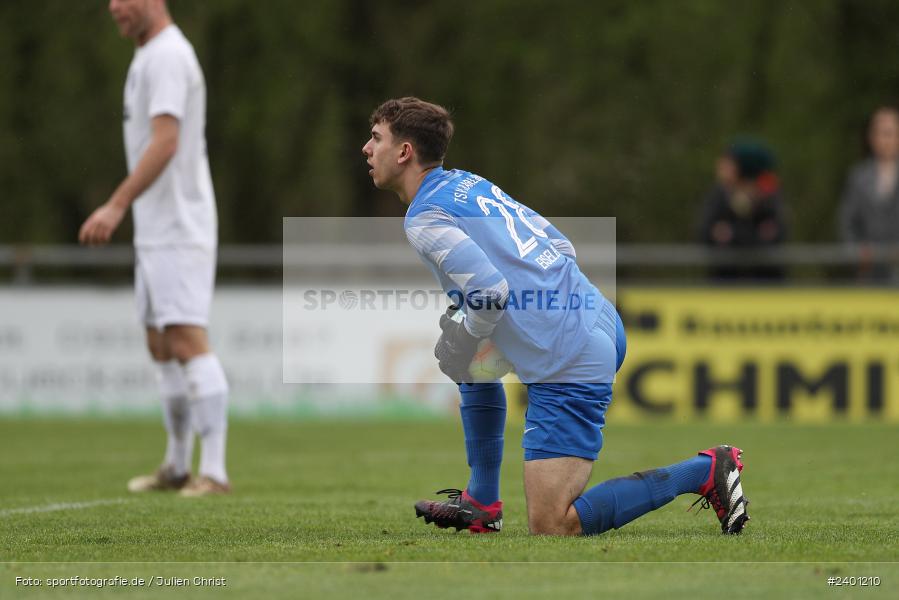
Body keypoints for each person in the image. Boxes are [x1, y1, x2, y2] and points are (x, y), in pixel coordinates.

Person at [362, 97, 750, 536]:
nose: (366, 149)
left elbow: (489, 291)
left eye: (376, 138)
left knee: (552, 524)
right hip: (597, 315)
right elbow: (560, 244)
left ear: (405, 152)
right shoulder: (467, 184)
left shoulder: (424, 216)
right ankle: (481, 503)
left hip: (570, 357)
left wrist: (472, 329)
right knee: (469, 358)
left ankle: (703, 471)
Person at [78, 0, 230, 496]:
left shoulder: (168, 54)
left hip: (179, 224)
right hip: (156, 228)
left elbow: (166, 142)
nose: (114, 7)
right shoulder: (147, 55)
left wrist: (116, 204)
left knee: (186, 338)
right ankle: (177, 465)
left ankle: (215, 471)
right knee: (160, 344)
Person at [697, 139, 788, 281]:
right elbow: (705, 232)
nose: (720, 166)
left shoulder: (769, 196)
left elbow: (777, 235)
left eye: (728, 163)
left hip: (766, 286)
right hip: (724, 283)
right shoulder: (719, 195)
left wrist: (731, 234)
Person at [839, 106, 899, 284]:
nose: (886, 140)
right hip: (869, 274)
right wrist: (857, 252)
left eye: (891, 133)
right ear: (871, 138)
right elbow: (846, 221)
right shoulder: (858, 177)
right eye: (882, 133)